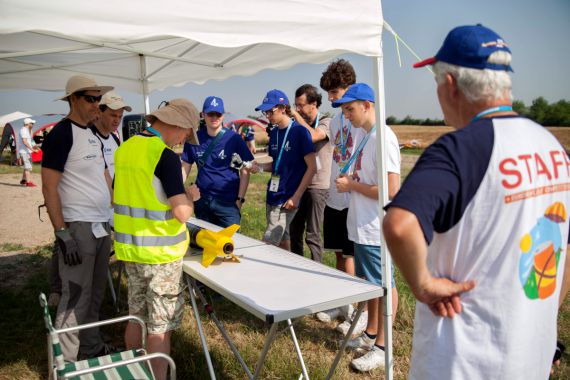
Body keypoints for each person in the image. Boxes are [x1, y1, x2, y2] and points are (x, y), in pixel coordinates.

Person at [382, 24, 570, 379]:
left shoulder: (457, 150)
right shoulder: (553, 147)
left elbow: (399, 224)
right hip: (531, 354)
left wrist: (422, 284)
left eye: (436, 82)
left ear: (450, 85)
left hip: (461, 360)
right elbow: (564, 247)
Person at [114, 99, 200, 380]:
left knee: (136, 314)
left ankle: (135, 371)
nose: (184, 139)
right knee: (159, 326)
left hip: (132, 250)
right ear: (176, 124)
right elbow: (182, 213)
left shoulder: (125, 149)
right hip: (161, 256)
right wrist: (190, 196)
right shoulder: (163, 156)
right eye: (186, 133)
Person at [41, 74, 114, 361]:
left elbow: (102, 178)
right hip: (78, 226)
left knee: (95, 295)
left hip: (100, 225)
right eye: (91, 98)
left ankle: (90, 348)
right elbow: (49, 187)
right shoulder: (61, 133)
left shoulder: (94, 133)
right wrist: (62, 233)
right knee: (74, 299)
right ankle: (64, 365)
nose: (97, 104)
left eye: (99, 99)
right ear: (73, 99)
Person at [331, 83, 400, 372]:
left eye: (349, 109)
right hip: (362, 224)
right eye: (344, 110)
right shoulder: (365, 135)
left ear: (367, 105)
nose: (346, 116)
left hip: (376, 226)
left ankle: (383, 348)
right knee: (371, 284)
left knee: (384, 285)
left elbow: (391, 189)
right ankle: (371, 334)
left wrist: (351, 185)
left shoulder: (383, 138)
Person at [315, 59, 367, 334]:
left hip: (353, 198)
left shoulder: (361, 118)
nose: (330, 99)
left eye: (333, 93)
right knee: (337, 253)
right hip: (335, 196)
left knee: (353, 258)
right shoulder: (337, 120)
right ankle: (342, 304)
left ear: (348, 88)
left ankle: (361, 312)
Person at [253, 89, 316, 250]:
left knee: (269, 241)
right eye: (264, 112)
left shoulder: (300, 132)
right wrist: (259, 167)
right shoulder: (274, 133)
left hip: (287, 198)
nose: (267, 115)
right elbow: (276, 164)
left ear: (282, 108)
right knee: (283, 237)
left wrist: (296, 196)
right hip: (273, 194)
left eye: (270, 111)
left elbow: (312, 167)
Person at [182, 96, 254, 228]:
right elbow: (185, 167)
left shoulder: (234, 139)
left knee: (229, 244)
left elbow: (245, 170)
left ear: (223, 115)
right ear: (203, 114)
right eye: (210, 114)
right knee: (206, 243)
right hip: (202, 201)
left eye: (218, 114)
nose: (214, 117)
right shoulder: (194, 139)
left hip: (228, 203)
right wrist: (176, 190)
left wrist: (240, 199)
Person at [289, 84, 332, 263]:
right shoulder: (297, 125)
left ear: (313, 104)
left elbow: (313, 136)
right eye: (296, 105)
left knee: (313, 235)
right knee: (294, 231)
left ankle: (317, 271)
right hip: (300, 184)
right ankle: (298, 267)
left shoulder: (326, 121)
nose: (298, 108)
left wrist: (295, 116)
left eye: (301, 105)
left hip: (317, 187)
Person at [92, 90, 132, 179]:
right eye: (113, 115)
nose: (117, 120)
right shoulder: (89, 136)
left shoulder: (114, 139)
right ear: (99, 112)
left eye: (120, 116)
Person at [19, 117, 40, 187]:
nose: (33, 124)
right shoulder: (23, 130)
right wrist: (32, 149)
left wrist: (35, 146)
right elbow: (24, 142)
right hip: (24, 152)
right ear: (28, 123)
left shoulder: (27, 130)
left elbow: (30, 139)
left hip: (27, 151)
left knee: (27, 166)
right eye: (32, 123)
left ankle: (23, 180)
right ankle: (28, 182)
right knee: (28, 167)